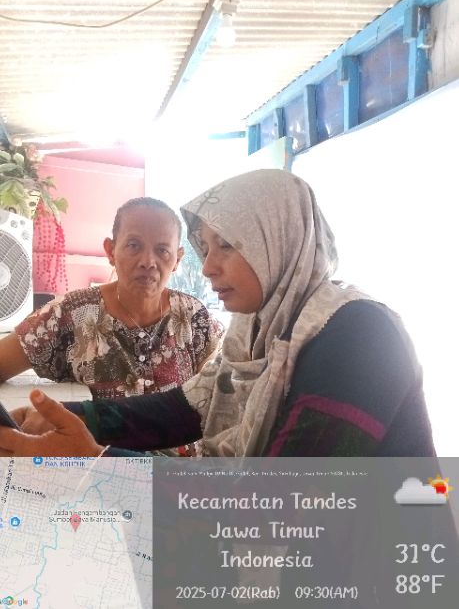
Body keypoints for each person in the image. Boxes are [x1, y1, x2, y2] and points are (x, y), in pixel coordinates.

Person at [0, 170, 435, 457]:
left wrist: (97, 461)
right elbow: (187, 408)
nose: (208, 267)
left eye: (226, 246)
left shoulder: (359, 337)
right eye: (206, 248)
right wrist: (71, 418)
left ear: (277, 240)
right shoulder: (254, 332)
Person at [0, 197, 223, 447]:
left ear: (178, 259)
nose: (148, 262)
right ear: (110, 251)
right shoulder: (70, 314)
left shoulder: (193, 318)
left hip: (179, 469)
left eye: (162, 250)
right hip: (96, 462)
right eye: (134, 245)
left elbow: (218, 398)